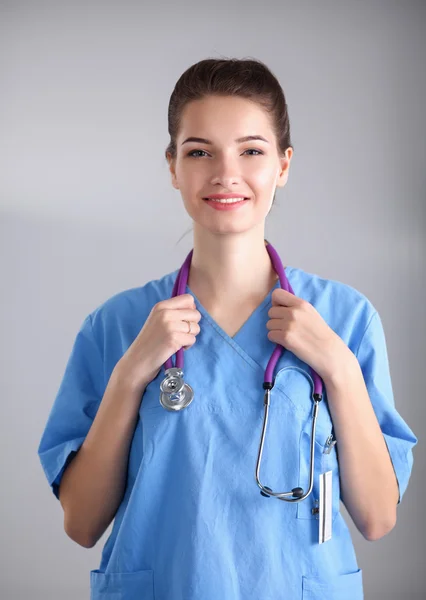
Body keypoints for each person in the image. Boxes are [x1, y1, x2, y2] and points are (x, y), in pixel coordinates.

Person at [38, 57, 417, 600]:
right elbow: (81, 524)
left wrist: (338, 368)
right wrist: (129, 376)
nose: (225, 173)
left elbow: (378, 518)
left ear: (283, 165)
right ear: (172, 165)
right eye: (199, 152)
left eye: (252, 150)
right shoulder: (116, 326)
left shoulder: (346, 319)